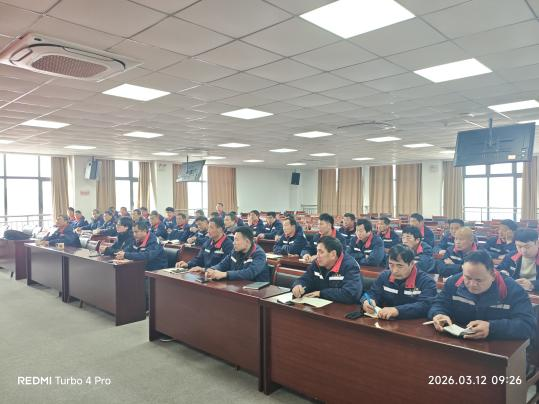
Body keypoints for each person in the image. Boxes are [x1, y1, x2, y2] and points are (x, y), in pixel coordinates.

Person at [428, 250, 536, 341]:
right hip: (458, 342)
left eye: (479, 280)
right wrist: (439, 314)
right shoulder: (453, 283)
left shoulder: (513, 290)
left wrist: (492, 327)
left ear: (493, 275)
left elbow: (528, 325)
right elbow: (439, 304)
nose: (472, 284)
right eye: (468, 278)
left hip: (496, 348)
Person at [361, 244, 437, 319]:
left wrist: (397, 310)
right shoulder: (384, 276)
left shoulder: (426, 282)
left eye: (400, 266)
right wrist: (366, 301)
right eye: (391, 264)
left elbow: (425, 305)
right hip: (384, 321)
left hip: (412, 324)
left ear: (412, 264)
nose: (395, 271)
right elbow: (373, 293)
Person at [292, 236, 362, 304]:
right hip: (320, 305)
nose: (317, 255)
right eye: (317, 251)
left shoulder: (350, 266)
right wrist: (298, 285)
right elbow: (306, 278)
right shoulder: (316, 263)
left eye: (321, 252)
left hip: (343, 308)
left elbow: (350, 294)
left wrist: (321, 293)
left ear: (333, 254)